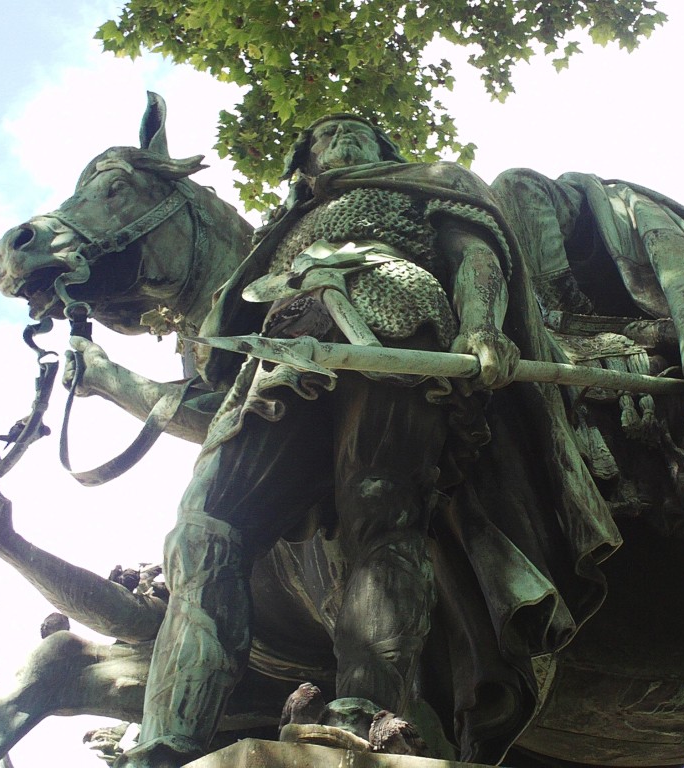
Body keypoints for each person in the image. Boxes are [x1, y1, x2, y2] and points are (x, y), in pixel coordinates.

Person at [119, 115, 535, 767]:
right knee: (204, 526)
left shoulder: (424, 184)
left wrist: (482, 324)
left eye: (355, 132)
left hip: (394, 321)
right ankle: (170, 734)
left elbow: (473, 253)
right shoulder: (283, 231)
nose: (338, 137)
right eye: (323, 135)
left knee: (382, 509)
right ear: (304, 161)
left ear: (385, 145)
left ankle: (362, 711)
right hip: (282, 352)